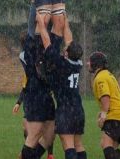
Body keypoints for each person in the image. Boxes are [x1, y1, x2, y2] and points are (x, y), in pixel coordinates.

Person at [38, 20, 86, 159]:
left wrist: (41, 23)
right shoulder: (78, 63)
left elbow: (46, 41)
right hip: (78, 109)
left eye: (66, 48)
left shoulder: (60, 64)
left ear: (66, 53)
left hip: (66, 110)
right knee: (78, 145)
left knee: (68, 144)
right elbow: (69, 39)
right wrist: (65, 22)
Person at [89, 51, 120, 159]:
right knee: (112, 148)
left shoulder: (100, 78)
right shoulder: (108, 75)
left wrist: (104, 113)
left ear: (96, 64)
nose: (87, 63)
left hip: (116, 116)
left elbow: (105, 96)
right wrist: (103, 111)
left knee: (106, 144)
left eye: (90, 61)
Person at [19, 33, 55, 159]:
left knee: (49, 134)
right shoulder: (25, 55)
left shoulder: (42, 53)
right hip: (34, 96)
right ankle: (26, 154)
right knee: (33, 133)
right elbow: (38, 72)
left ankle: (43, 154)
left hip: (45, 96)